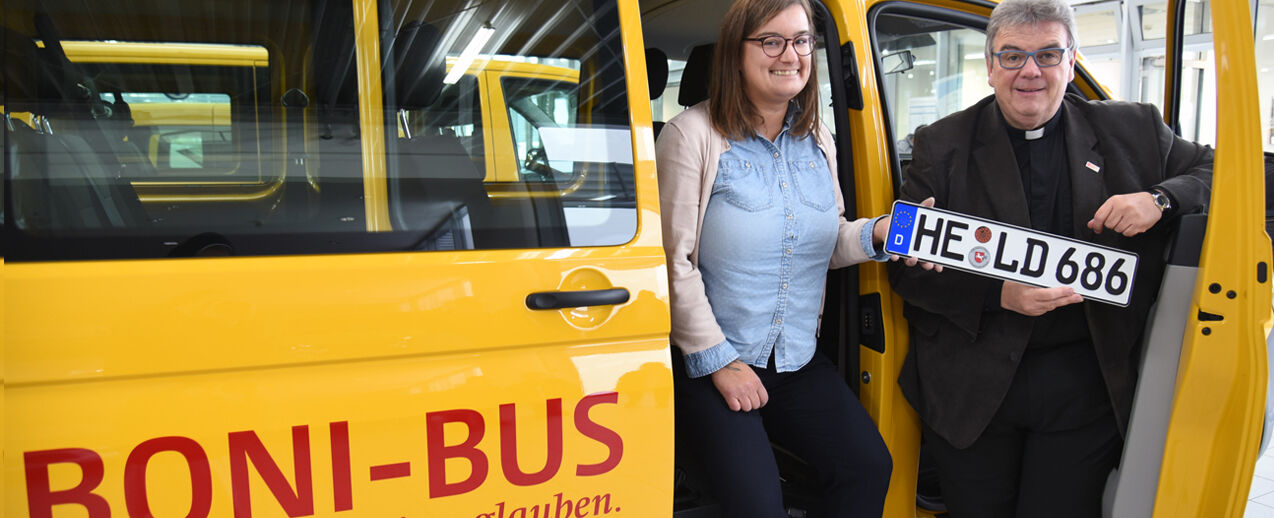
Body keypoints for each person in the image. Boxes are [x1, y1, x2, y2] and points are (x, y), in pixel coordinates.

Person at [888, 0, 1213, 515]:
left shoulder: (1135, 128)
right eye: (1013, 56)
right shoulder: (941, 143)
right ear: (991, 65)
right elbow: (906, 274)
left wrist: (1159, 200)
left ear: (1071, 61)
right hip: (973, 384)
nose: (1030, 72)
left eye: (1047, 54)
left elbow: (1228, 172)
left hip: (1085, 385)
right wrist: (1000, 294)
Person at [656, 0, 935, 515]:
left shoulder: (818, 142)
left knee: (867, 467)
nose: (792, 55)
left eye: (803, 40)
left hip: (796, 360)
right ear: (736, 52)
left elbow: (824, 246)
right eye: (772, 41)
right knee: (758, 504)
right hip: (716, 361)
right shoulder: (690, 136)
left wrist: (878, 233)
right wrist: (720, 363)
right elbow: (674, 262)